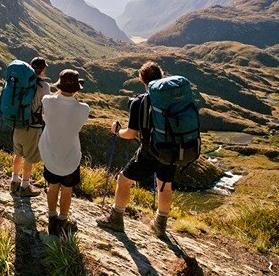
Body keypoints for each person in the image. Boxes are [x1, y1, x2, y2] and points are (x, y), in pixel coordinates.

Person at [96, 61, 173, 239]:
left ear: (141, 79)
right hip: (171, 149)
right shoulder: (170, 99)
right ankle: (160, 226)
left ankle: (116, 219)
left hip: (150, 150)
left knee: (123, 180)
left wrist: (117, 131)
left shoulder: (139, 102)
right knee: (165, 185)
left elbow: (131, 134)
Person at [39, 69, 90, 236]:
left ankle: (52, 216)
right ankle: (62, 219)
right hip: (71, 158)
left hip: (51, 155)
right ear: (76, 89)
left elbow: (47, 109)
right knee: (67, 189)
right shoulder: (83, 109)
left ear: (59, 87)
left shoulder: (48, 101)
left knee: (53, 186)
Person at [10, 57, 51, 197]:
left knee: (18, 153)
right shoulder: (44, 86)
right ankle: (25, 186)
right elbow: (46, 107)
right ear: (43, 69)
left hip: (18, 122)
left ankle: (14, 181)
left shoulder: (21, 81)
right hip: (33, 126)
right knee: (29, 157)